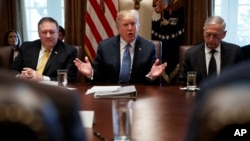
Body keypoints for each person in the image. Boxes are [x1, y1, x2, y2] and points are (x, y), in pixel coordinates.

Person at [74, 9, 167, 84]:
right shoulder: (105, 46)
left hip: (139, 95)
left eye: (133, 24)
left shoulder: (149, 47)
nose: (130, 28)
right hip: (110, 95)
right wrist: (91, 73)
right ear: (118, 28)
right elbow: (97, 74)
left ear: (138, 26)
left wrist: (152, 76)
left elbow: (152, 80)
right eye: (125, 25)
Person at [179, 15, 243, 86]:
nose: (211, 39)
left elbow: (241, 81)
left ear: (224, 34)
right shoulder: (191, 54)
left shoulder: (234, 52)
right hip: (199, 95)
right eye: (208, 34)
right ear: (203, 32)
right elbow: (183, 83)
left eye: (215, 35)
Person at [11, 17, 77, 82]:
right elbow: (13, 70)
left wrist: (43, 78)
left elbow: (70, 78)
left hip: (51, 90)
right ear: (39, 34)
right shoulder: (27, 47)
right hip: (26, 88)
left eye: (52, 32)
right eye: (44, 32)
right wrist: (20, 77)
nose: (48, 36)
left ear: (57, 33)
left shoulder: (69, 51)